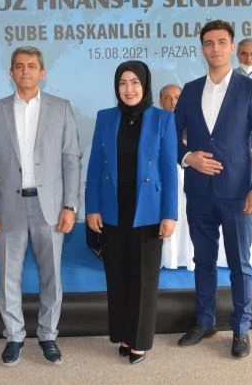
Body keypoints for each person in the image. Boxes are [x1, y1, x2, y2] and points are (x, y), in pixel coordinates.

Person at [0, 46, 82, 367]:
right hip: (8, 207)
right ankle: (14, 336)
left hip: (49, 207)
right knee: (8, 277)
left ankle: (48, 335)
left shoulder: (61, 108)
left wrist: (70, 206)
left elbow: (71, 159)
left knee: (52, 276)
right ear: (11, 72)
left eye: (32, 66)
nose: (26, 71)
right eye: (20, 66)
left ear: (42, 72)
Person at [174, 20, 252, 358]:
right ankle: (205, 322)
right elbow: (171, 137)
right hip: (199, 192)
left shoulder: (251, 90)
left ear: (231, 47)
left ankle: (241, 329)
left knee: (239, 264)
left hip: (238, 193)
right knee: (202, 261)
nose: (215, 48)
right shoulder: (189, 90)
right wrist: (188, 157)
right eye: (208, 43)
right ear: (202, 48)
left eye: (221, 42)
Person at [85, 61, 178, 365]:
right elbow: (95, 166)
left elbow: (169, 170)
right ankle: (124, 335)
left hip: (148, 210)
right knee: (118, 276)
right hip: (112, 209)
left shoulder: (163, 119)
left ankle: (139, 341)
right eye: (123, 83)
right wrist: (92, 207)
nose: (129, 89)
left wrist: (170, 214)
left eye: (135, 82)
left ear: (145, 85)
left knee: (144, 279)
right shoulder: (105, 118)